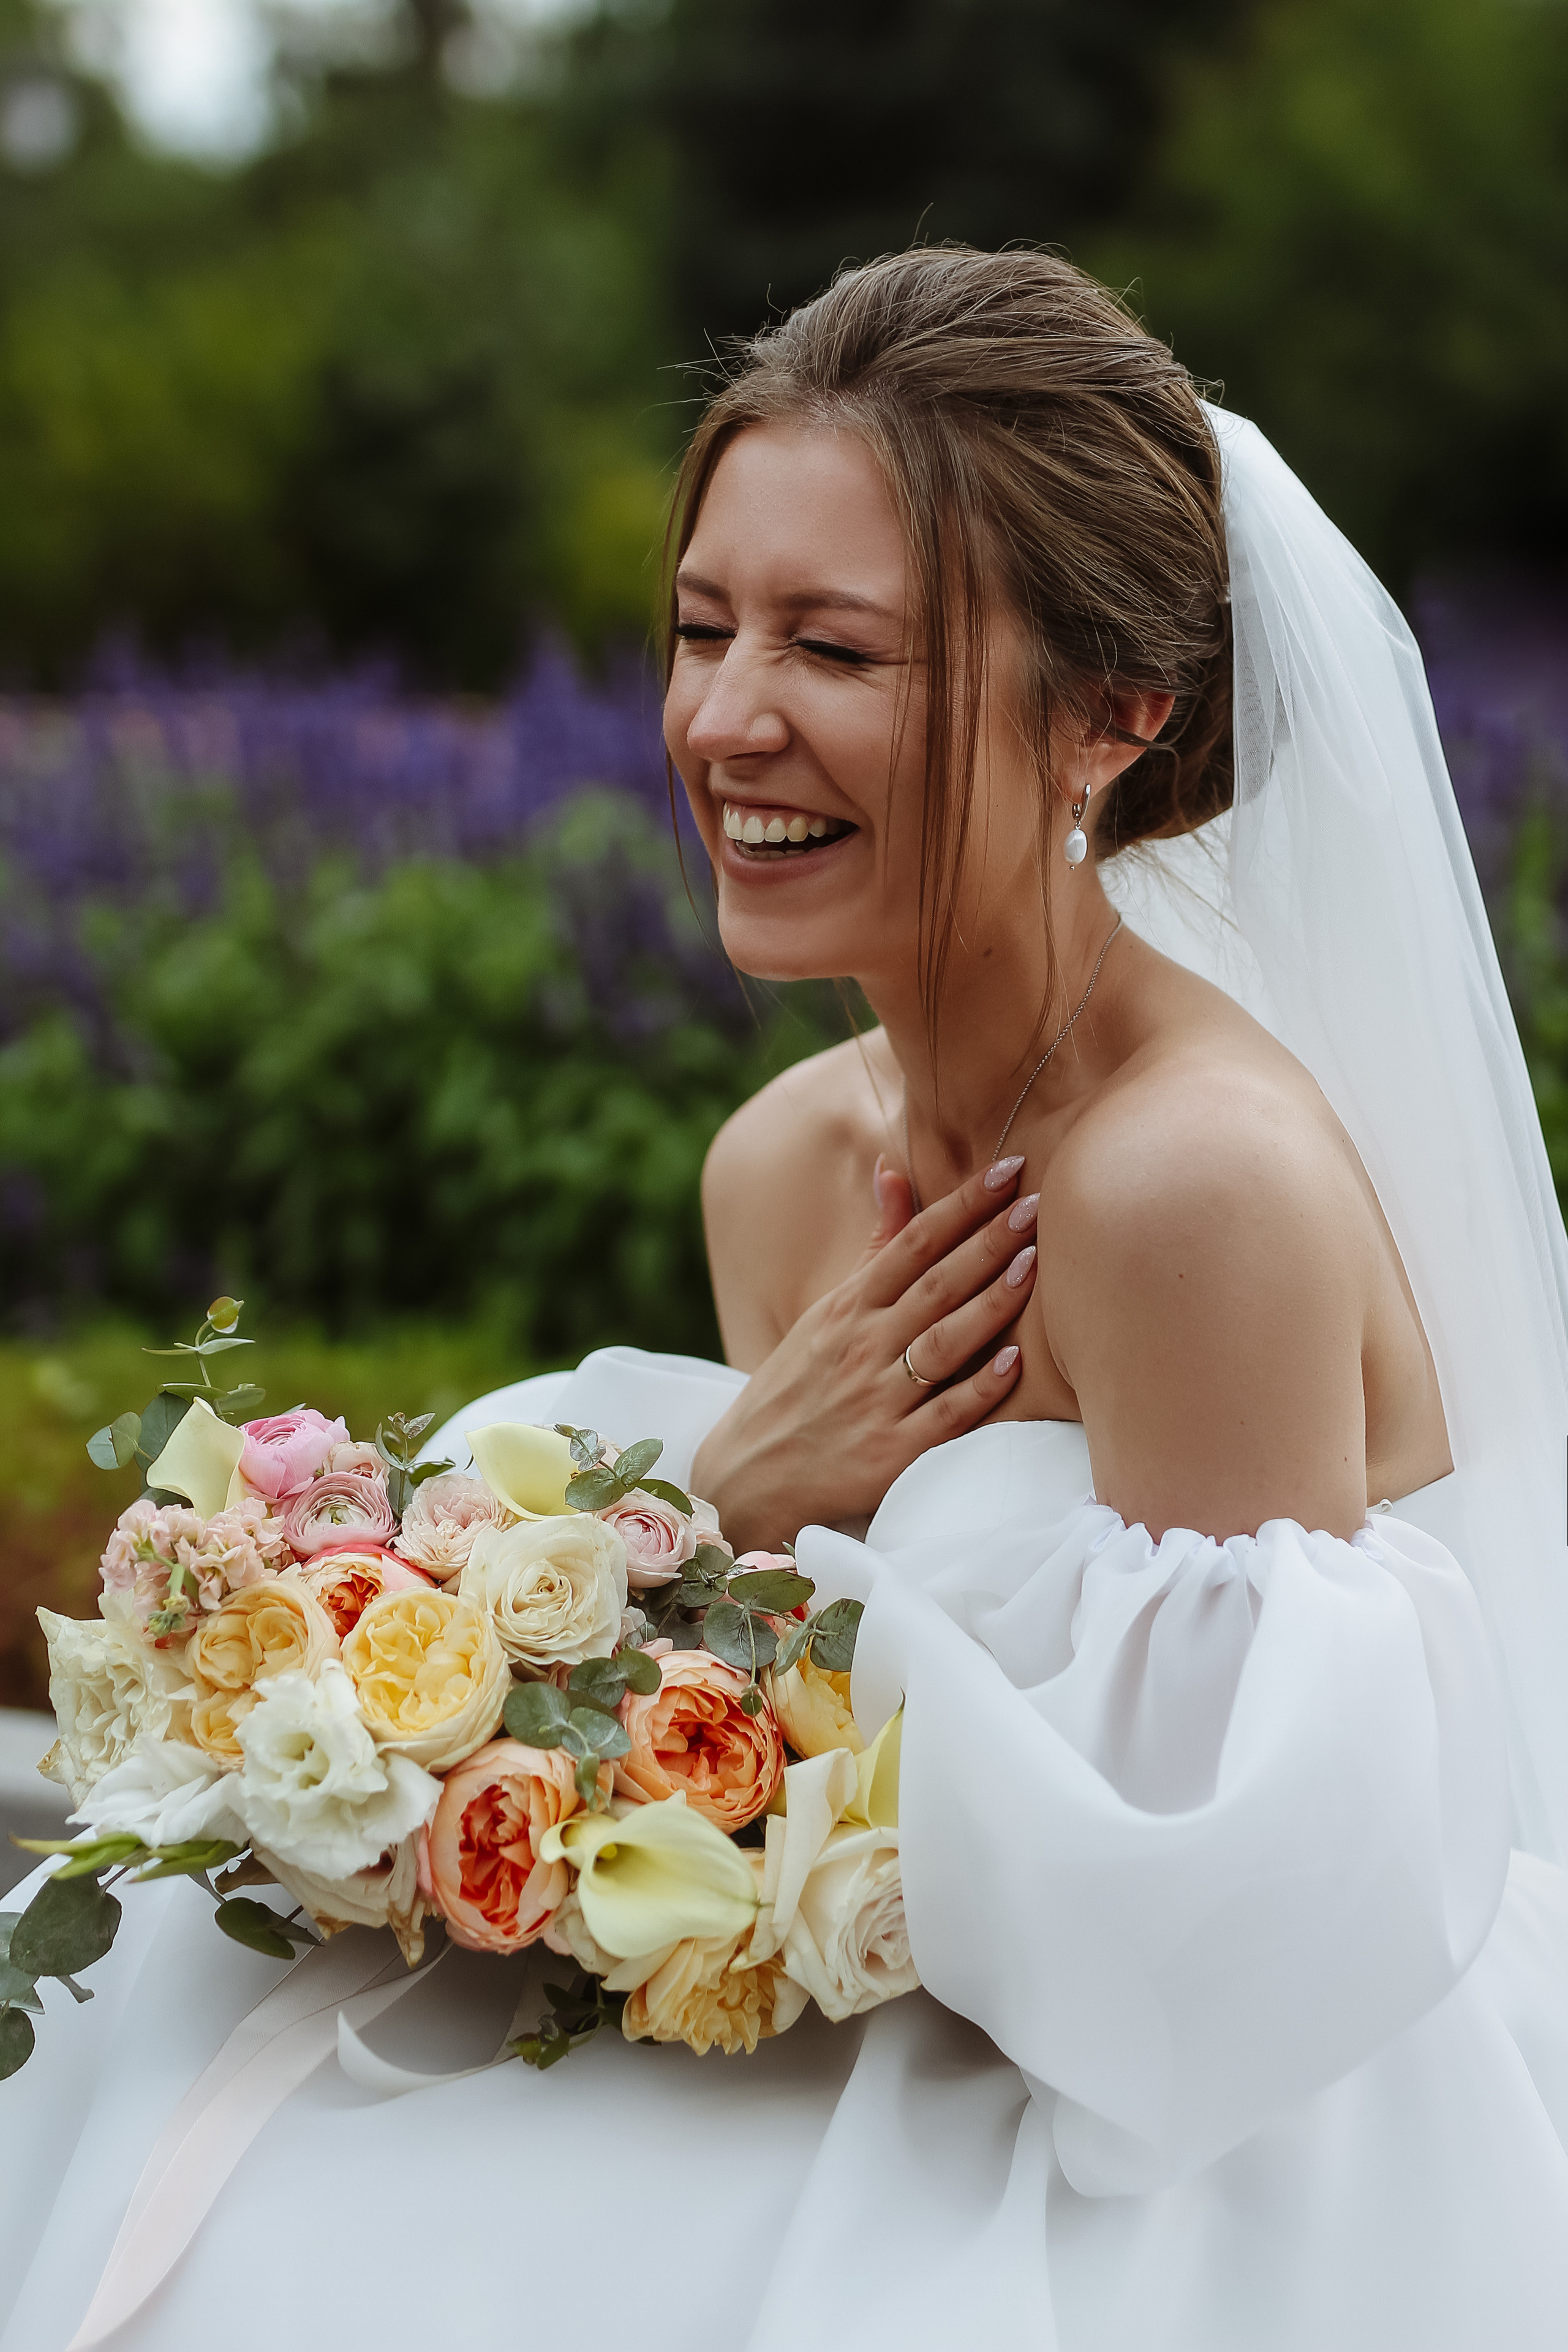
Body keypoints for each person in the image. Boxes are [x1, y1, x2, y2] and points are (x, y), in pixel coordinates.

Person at [5, 246, 1567, 2352]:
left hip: (1181, 2114)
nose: (727, 719)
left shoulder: (1195, 1191)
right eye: (699, 626)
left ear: (1120, 712)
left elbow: (1215, 1932)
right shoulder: (789, 1161)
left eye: (836, 647)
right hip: (876, 2000)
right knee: (132, 2001)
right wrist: (704, 1516)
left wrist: (670, 1614)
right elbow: (763, 1734)